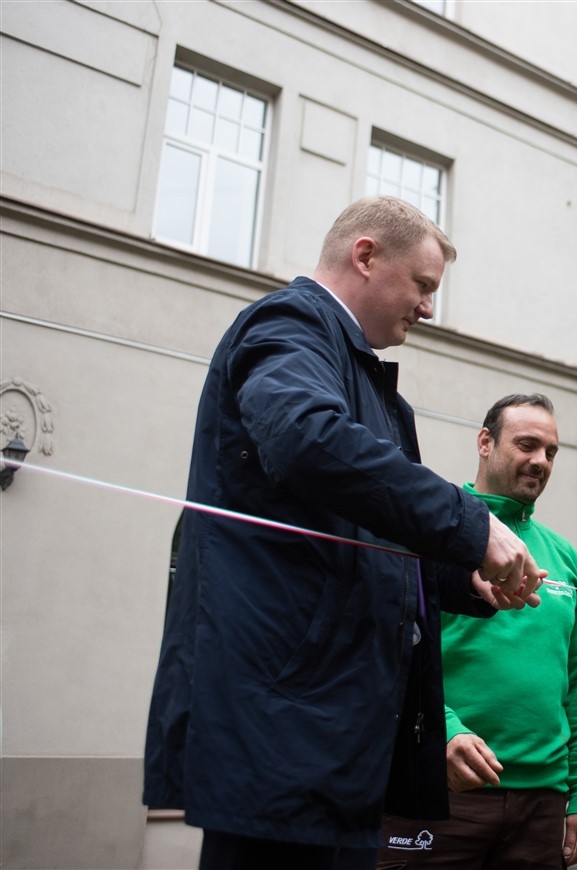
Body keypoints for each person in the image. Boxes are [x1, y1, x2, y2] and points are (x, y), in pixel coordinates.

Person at [143, 196, 545, 870]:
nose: (428, 308)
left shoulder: (366, 383)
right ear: (365, 256)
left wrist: (461, 576)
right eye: (422, 285)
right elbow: (306, 440)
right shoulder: (290, 323)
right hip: (284, 725)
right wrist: (470, 524)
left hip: (336, 734)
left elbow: (366, 538)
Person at [379, 394, 577, 869]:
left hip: (542, 809)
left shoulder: (563, 558)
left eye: (550, 451)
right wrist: (442, 733)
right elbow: (390, 654)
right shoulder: (434, 531)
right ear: (485, 442)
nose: (540, 461)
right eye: (526, 444)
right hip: (441, 790)